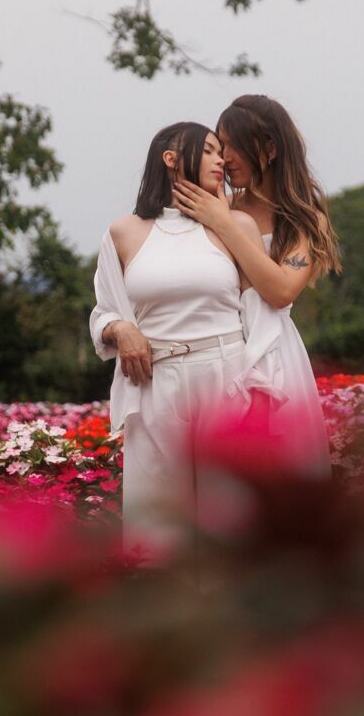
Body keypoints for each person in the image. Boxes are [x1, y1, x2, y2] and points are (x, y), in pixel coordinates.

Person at [91, 122, 284, 551]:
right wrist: (121, 328)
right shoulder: (124, 232)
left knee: (230, 525)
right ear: (172, 158)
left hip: (227, 378)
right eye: (211, 151)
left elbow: (261, 319)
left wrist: (262, 395)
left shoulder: (235, 226)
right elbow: (105, 308)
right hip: (154, 384)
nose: (222, 161)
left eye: (222, 152)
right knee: (156, 530)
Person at [171, 94, 338, 475]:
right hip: (215, 350)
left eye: (232, 145)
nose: (224, 157)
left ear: (269, 148)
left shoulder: (304, 218)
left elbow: (280, 291)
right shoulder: (215, 205)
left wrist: (226, 222)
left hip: (275, 354)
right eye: (220, 145)